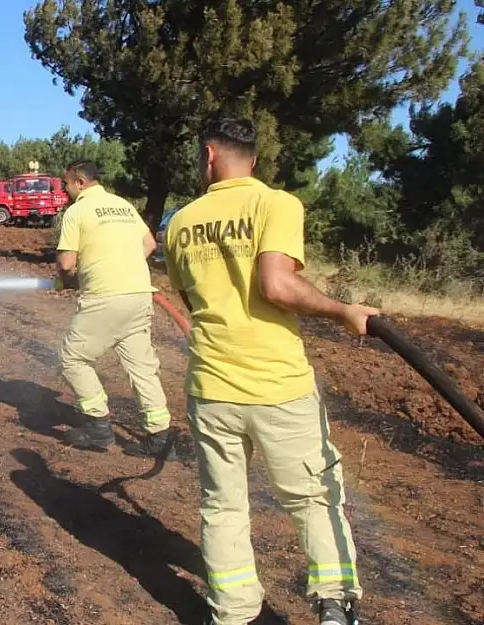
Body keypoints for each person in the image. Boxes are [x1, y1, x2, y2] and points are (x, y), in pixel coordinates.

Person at [163, 113, 377, 625]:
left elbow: (191, 300)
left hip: (212, 386)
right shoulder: (276, 203)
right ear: (252, 158)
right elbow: (278, 287)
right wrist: (344, 310)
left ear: (208, 155)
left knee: (223, 505)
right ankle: (333, 605)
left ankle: (233, 611)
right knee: (312, 496)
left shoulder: (181, 222)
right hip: (277, 386)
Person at [53, 158, 173, 457]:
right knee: (142, 367)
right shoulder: (123, 206)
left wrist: (73, 279)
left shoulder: (77, 211)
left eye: (66, 184)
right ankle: (160, 437)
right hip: (139, 295)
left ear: (80, 182)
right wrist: (121, 265)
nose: (65, 190)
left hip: (105, 298)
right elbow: (148, 244)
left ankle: (98, 427)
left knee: (72, 358)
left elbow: (66, 264)